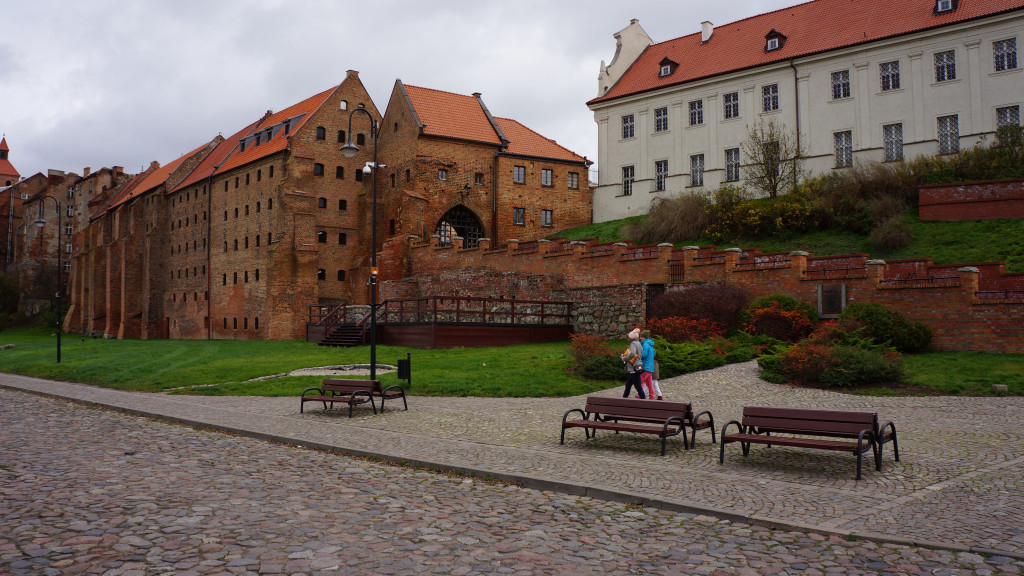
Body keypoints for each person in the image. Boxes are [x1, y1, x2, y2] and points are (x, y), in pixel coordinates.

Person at [620, 328, 645, 399]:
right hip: (638, 366)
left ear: (631, 338)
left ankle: (644, 401)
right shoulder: (639, 343)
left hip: (634, 367)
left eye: (629, 337)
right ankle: (624, 399)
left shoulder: (633, 344)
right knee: (628, 385)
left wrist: (624, 358)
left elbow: (633, 353)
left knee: (638, 387)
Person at [639, 330, 662, 400]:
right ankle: (651, 397)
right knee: (649, 384)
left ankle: (641, 396)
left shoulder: (645, 345)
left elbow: (644, 355)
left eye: (641, 337)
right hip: (650, 368)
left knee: (639, 381)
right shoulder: (650, 345)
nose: (640, 338)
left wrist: (637, 354)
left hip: (645, 367)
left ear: (644, 337)